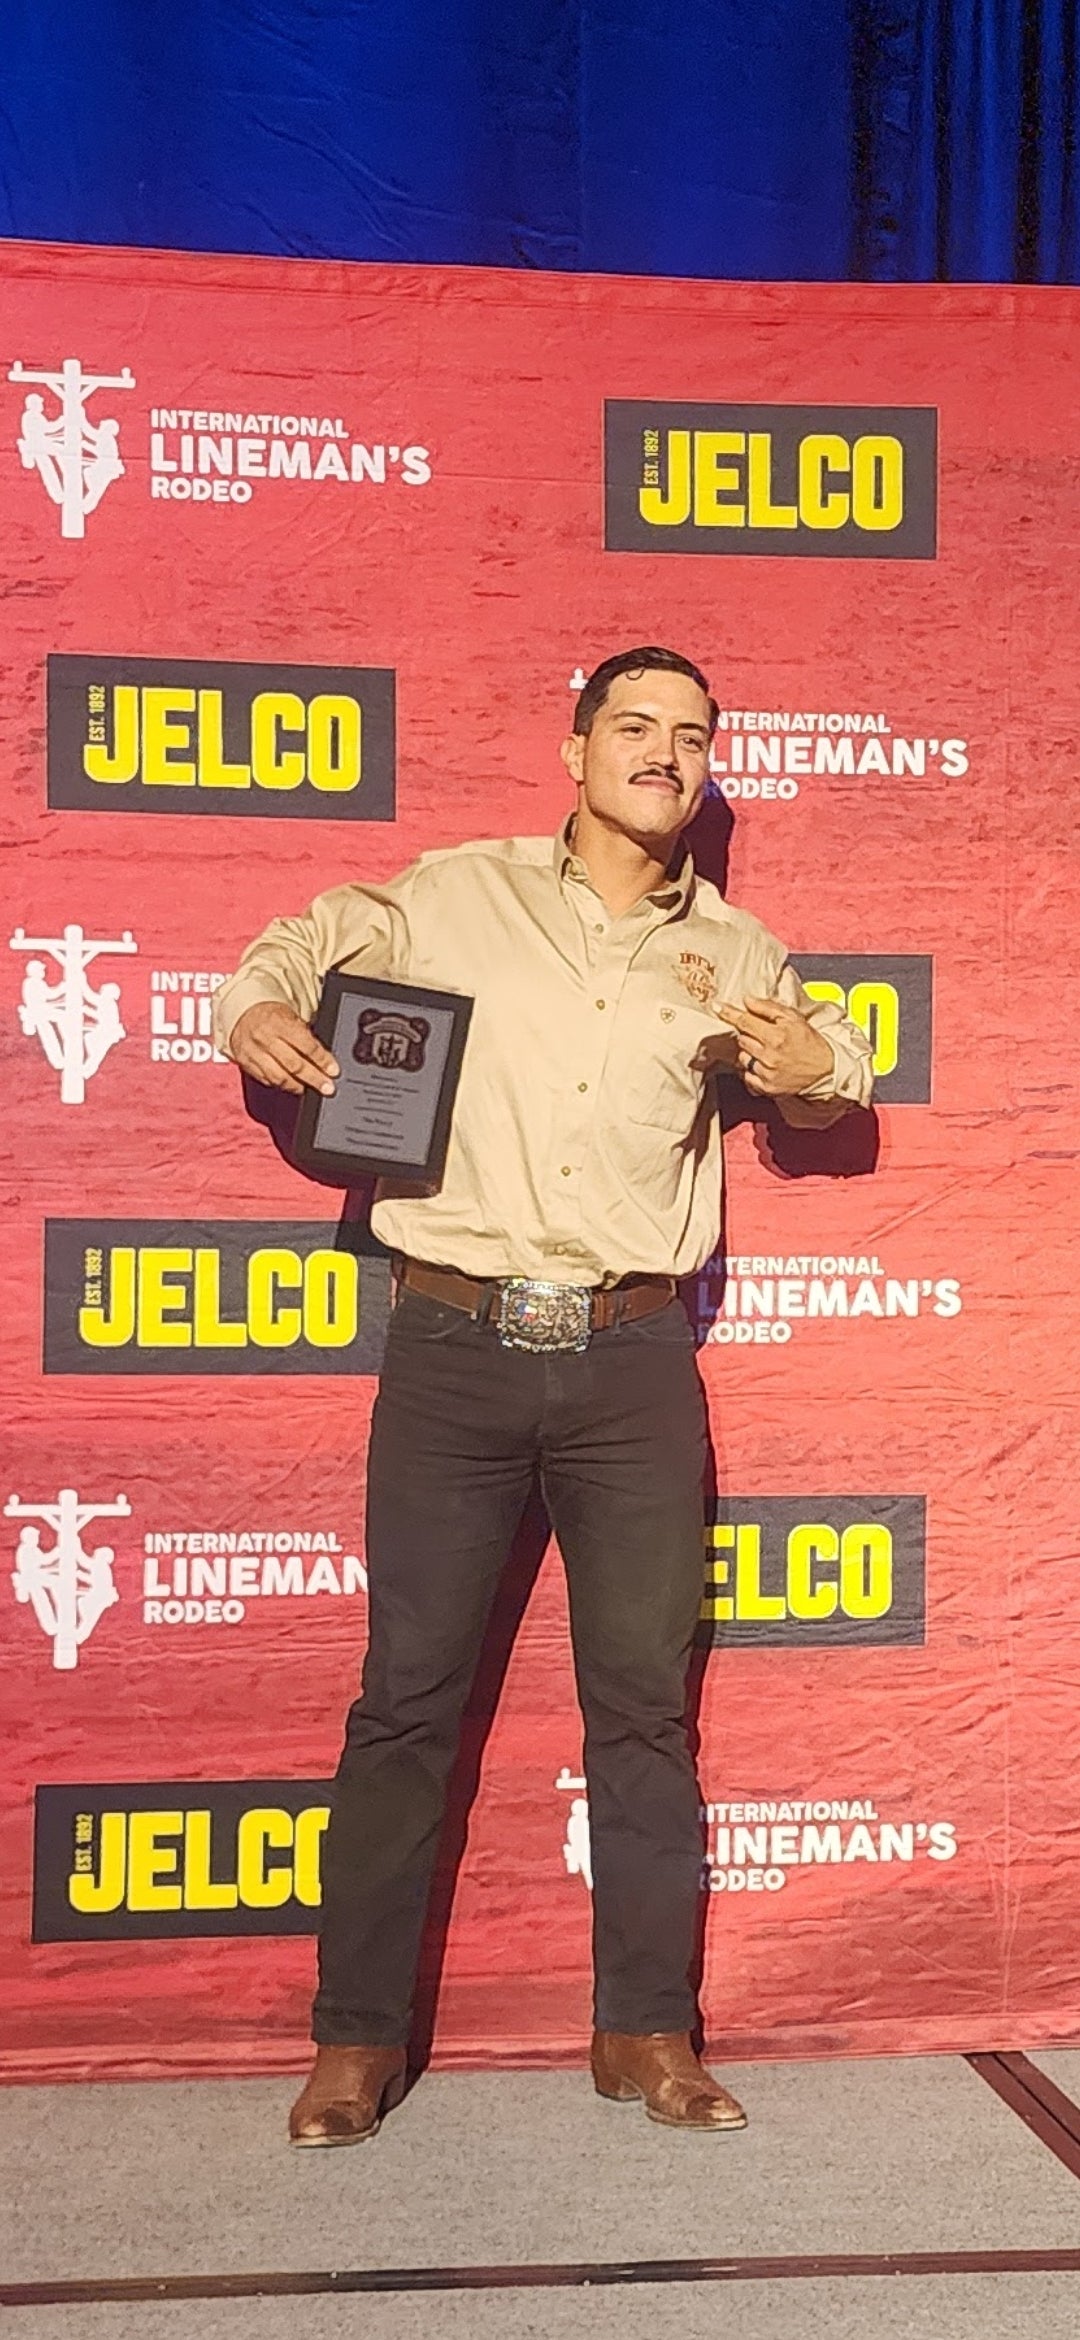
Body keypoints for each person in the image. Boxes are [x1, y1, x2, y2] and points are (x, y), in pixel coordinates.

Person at [213, 646, 873, 2145]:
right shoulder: (456, 894)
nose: (666, 752)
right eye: (635, 727)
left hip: (636, 1362)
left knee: (644, 1711)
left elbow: (830, 1087)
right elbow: (290, 947)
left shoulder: (743, 948)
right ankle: (355, 2040)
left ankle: (647, 2033)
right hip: (450, 1350)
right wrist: (254, 1014)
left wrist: (814, 1065)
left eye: (694, 736)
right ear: (574, 749)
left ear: (710, 772)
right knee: (406, 1704)